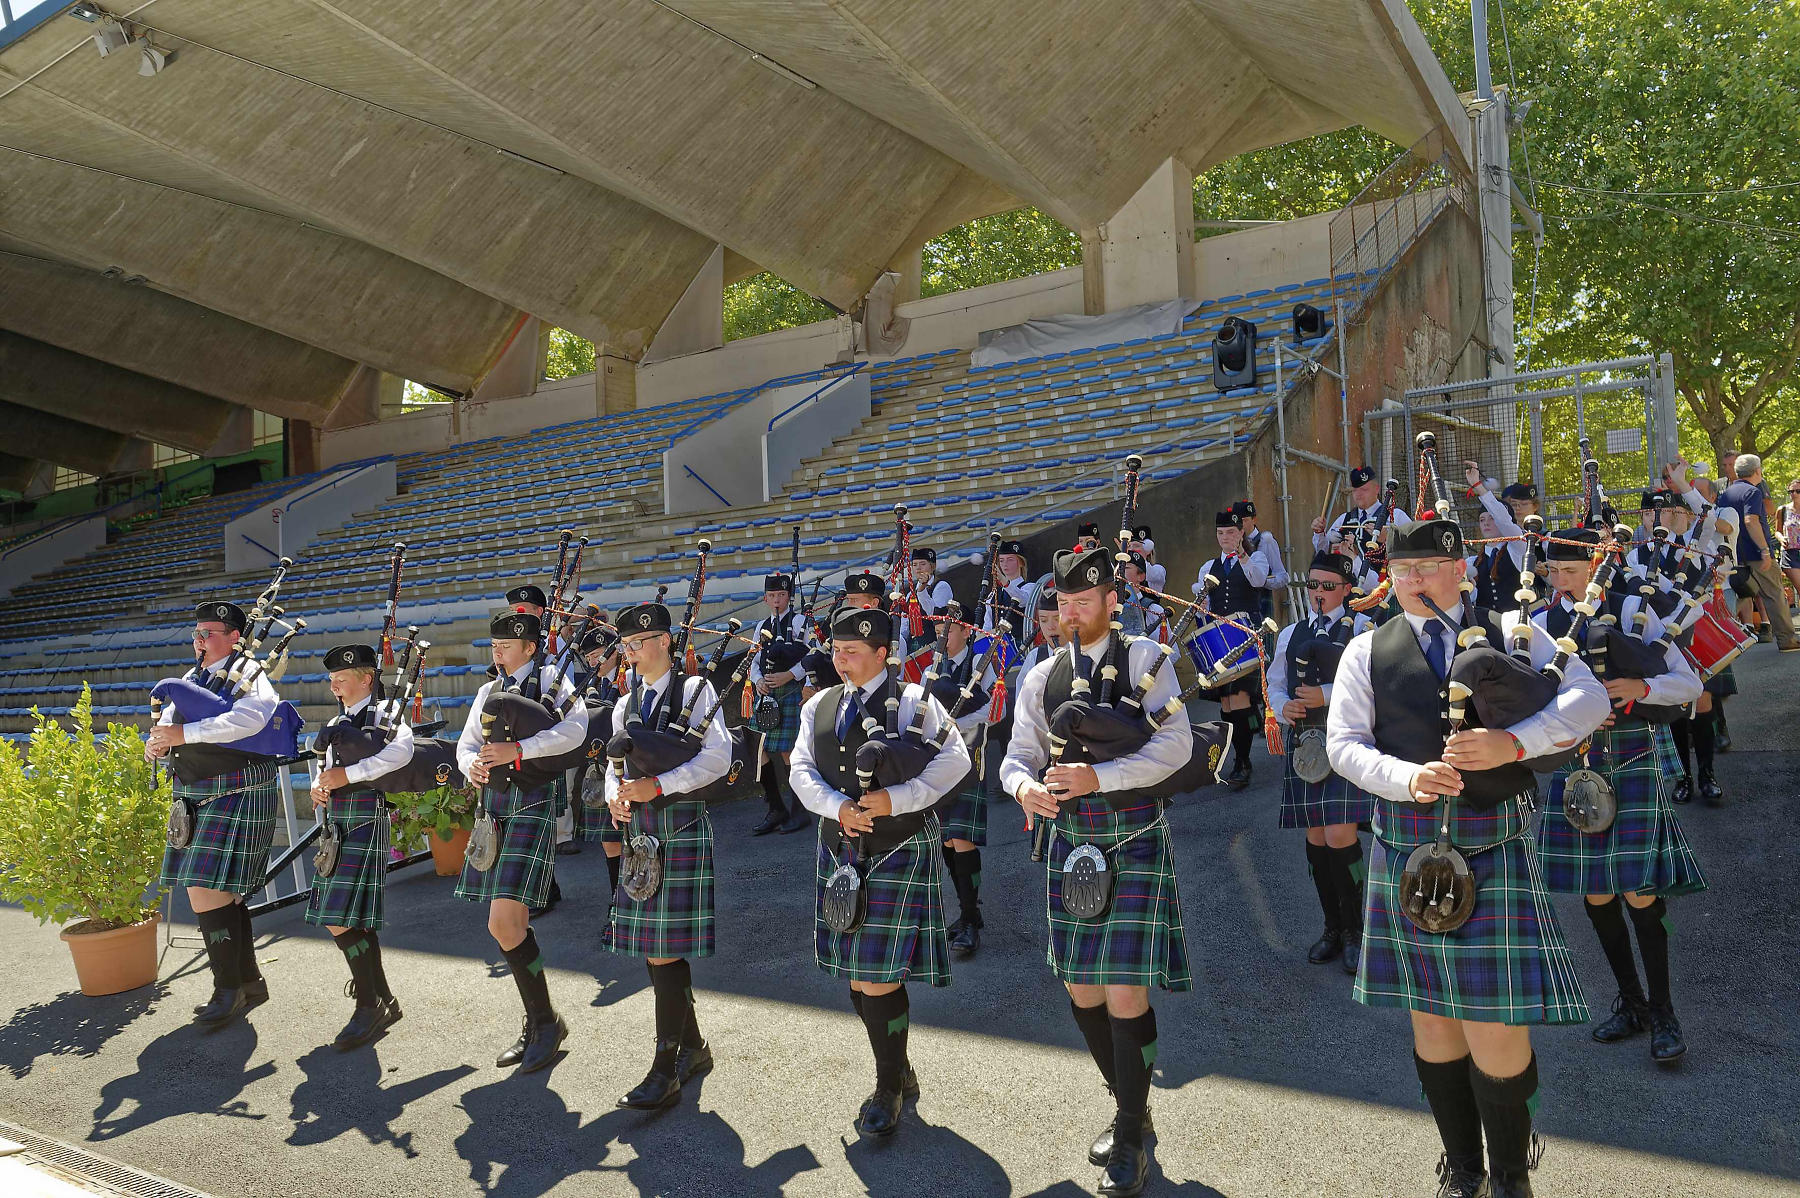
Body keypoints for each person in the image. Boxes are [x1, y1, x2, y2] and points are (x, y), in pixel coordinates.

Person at [1325, 517, 1609, 1198]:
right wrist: (1407, 778)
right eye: (1401, 570)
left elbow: (1588, 698)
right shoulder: (1365, 650)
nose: (1412, 581)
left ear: (1460, 571)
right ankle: (1465, 1166)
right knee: (1433, 1019)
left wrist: (1516, 744)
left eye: (1426, 568)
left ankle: (1511, 1173)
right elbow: (1343, 744)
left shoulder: (1511, 631)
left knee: (1495, 1022)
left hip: (1492, 840)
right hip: (1408, 843)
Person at [1003, 547, 1194, 1198]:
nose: (1072, 612)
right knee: (1082, 989)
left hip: (1132, 832)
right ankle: (1129, 1102)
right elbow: (1015, 755)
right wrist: (1024, 789)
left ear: (1113, 600)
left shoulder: (1147, 659)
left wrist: (1098, 777)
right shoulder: (1041, 675)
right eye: (1062, 602)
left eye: (1085, 601)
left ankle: (1131, 1131)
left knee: (1122, 989)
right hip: (1070, 841)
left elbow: (1177, 746)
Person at [789, 606, 970, 1137]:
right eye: (836, 651)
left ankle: (888, 1085)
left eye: (852, 653)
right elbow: (801, 768)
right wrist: (835, 808)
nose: (840, 661)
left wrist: (897, 799)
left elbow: (956, 761)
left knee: (876, 975)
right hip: (838, 845)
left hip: (896, 845)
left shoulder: (916, 702)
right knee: (857, 971)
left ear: (882, 654)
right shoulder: (819, 705)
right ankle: (898, 1069)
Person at [1531, 530, 1706, 1064]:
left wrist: (1641, 690)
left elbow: (1691, 683)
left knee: (1639, 892)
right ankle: (1631, 1004)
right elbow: (1526, 699)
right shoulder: (1541, 624)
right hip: (1576, 762)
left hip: (1630, 755)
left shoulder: (1636, 609)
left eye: (1568, 572)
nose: (1559, 583)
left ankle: (1664, 1012)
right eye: (1552, 573)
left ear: (1594, 566)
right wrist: (1567, 719)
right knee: (1599, 893)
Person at [602, 600, 732, 1110]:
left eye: (638, 644)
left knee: (661, 947)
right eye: (626, 646)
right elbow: (616, 763)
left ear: (664, 642)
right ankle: (693, 1048)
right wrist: (616, 791)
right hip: (640, 829)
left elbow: (718, 759)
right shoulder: (624, 703)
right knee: (656, 946)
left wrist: (660, 785)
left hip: (679, 825)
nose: (630, 654)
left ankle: (664, 1067)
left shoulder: (697, 691)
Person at [456, 611, 587, 1073]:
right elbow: (467, 742)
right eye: (493, 646)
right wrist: (470, 765)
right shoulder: (487, 691)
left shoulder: (553, 680)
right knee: (504, 926)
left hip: (531, 800)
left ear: (530, 647)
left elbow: (575, 730)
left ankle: (545, 1023)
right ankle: (542, 1022)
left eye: (506, 646)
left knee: (504, 923)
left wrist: (521, 751)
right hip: (493, 806)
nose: (498, 653)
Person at [146, 601, 283, 1030]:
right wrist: (159, 743)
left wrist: (186, 733)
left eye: (209, 632)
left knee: (204, 888)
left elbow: (251, 718)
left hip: (238, 785)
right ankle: (247, 983)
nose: (200, 641)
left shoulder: (252, 675)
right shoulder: (192, 678)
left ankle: (227, 989)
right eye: (196, 634)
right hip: (195, 788)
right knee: (223, 893)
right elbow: (169, 720)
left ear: (235, 637)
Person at [1265, 552, 1374, 974]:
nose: (1318, 594)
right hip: (1306, 744)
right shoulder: (1291, 633)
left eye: (1328, 587)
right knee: (1316, 837)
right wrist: (1283, 706)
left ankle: (1355, 930)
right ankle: (1331, 927)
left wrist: (1326, 695)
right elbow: (1276, 682)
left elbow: (1371, 684)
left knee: (1339, 834)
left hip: (1344, 738)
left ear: (1347, 589)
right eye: (1313, 586)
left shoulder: (1363, 629)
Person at [307, 644, 413, 1050]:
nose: (334, 684)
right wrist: (321, 786)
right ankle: (382, 999)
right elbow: (325, 770)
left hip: (368, 814)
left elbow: (399, 755)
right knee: (356, 920)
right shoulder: (337, 719)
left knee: (338, 916)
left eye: (342, 677)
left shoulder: (387, 715)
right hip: (339, 821)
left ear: (366, 678)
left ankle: (368, 1005)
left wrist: (346, 776)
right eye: (331, 678)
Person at [924, 605, 997, 957]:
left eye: (948, 630)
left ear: (966, 632)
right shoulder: (929, 668)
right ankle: (972, 912)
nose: (942, 636)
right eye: (938, 630)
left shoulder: (982, 667)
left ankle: (969, 920)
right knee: (948, 844)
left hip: (970, 759)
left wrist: (956, 723)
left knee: (962, 839)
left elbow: (994, 712)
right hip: (938, 764)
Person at [503, 582, 573, 907]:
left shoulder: (555, 654)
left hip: (544, 745)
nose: (519, 615)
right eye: (515, 610)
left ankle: (544, 890)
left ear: (540, 613)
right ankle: (546, 888)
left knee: (540, 823)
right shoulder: (508, 651)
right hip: (514, 747)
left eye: (526, 611)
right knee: (528, 824)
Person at [1193, 508, 1269, 789]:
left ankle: (1243, 760)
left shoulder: (1256, 557)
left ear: (1241, 533)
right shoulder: (1207, 567)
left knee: (1238, 699)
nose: (1226, 537)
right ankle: (1242, 744)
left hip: (1244, 636)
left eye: (1232, 533)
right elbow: (1207, 606)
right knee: (1226, 704)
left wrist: (1241, 554)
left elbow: (1258, 580)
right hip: (1220, 640)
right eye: (1221, 533)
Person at [748, 573, 812, 836]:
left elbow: (812, 655)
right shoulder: (760, 625)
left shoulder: (800, 622)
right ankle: (776, 807)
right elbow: (753, 659)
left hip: (790, 691)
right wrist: (758, 680)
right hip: (766, 694)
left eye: (782, 595)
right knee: (758, 750)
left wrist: (791, 675)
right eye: (772, 596)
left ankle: (800, 811)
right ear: (765, 598)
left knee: (789, 752)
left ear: (789, 597)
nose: (777, 600)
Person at [1719, 454, 1800, 650]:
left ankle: (1722, 634)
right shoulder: (1753, 492)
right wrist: (1764, 550)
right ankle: (1787, 640)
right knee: (1774, 594)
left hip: (1734, 554)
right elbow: (1751, 521)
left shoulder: (1726, 494)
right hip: (1756, 553)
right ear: (1758, 470)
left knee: (1740, 594)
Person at [1233, 500, 1288, 615]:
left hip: (1261, 604)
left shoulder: (1265, 540)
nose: (1241, 525)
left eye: (1245, 520)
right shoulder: (1231, 542)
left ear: (1254, 519)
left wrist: (1260, 579)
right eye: (1238, 521)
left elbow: (1282, 577)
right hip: (1238, 605)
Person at [1117, 553, 1165, 638]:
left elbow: (1170, 648)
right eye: (1118, 567)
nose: (1119, 571)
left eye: (1125, 567)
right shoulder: (1111, 608)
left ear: (1141, 576)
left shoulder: (1153, 609)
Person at [1779, 480, 1800, 606]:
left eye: (1798, 491)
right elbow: (1777, 530)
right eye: (1791, 491)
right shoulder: (1783, 510)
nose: (1795, 494)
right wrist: (1781, 538)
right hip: (1790, 554)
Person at [1129, 526, 1167, 594]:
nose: (1131, 550)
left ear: (1148, 549)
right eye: (1128, 546)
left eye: (1136, 546)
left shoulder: (1158, 570)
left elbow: (1147, 573)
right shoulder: (1123, 569)